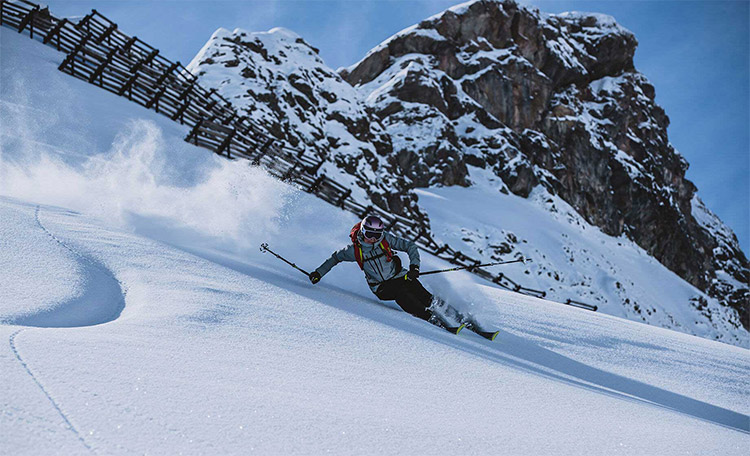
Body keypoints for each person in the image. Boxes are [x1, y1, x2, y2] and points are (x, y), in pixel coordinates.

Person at [309, 214, 460, 331]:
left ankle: (455, 315)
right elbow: (335, 258)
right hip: (381, 287)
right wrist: (318, 273)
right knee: (403, 294)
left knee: (421, 292)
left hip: (400, 276)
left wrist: (414, 268)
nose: (373, 239)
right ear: (362, 232)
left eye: (377, 235)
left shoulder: (385, 240)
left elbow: (410, 246)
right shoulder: (355, 250)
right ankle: (429, 317)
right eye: (370, 234)